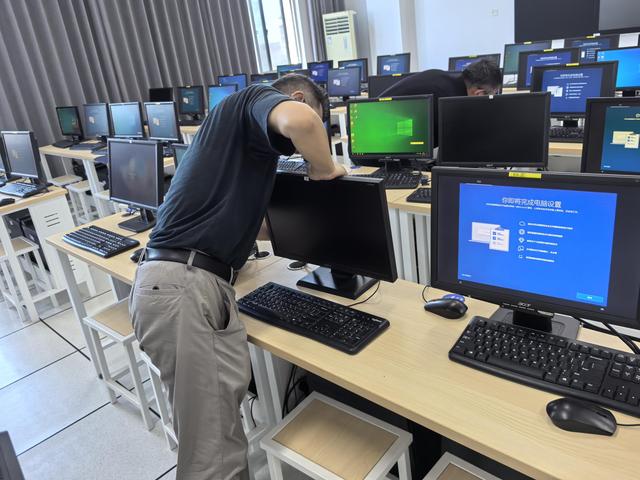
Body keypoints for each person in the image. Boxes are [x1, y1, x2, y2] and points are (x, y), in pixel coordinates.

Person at [129, 74, 348, 479]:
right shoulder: (253, 99)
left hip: (177, 280)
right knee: (214, 456)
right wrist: (325, 170)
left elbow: (255, 228)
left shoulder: (240, 141)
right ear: (297, 97)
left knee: (214, 439)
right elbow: (302, 123)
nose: (300, 149)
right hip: (186, 286)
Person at [379, 59, 502, 145]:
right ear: (479, 93)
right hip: (380, 142)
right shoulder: (450, 103)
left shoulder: (444, 79)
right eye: (493, 94)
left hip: (376, 121)